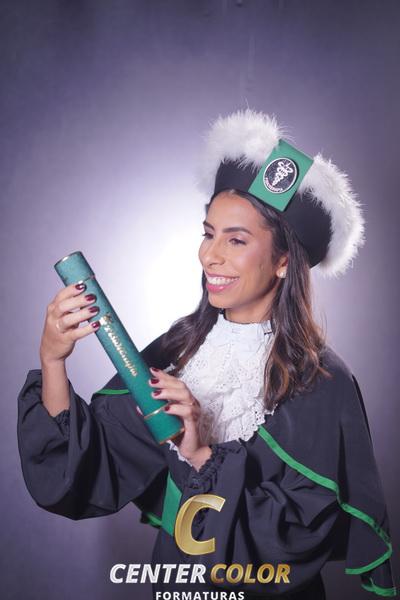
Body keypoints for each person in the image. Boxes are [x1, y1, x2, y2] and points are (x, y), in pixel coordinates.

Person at [17, 109, 397, 599]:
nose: (210, 255)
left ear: (284, 261)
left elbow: (296, 541)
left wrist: (200, 456)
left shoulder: (323, 382)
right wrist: (53, 360)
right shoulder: (181, 348)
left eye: (236, 240)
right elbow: (84, 472)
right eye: (209, 232)